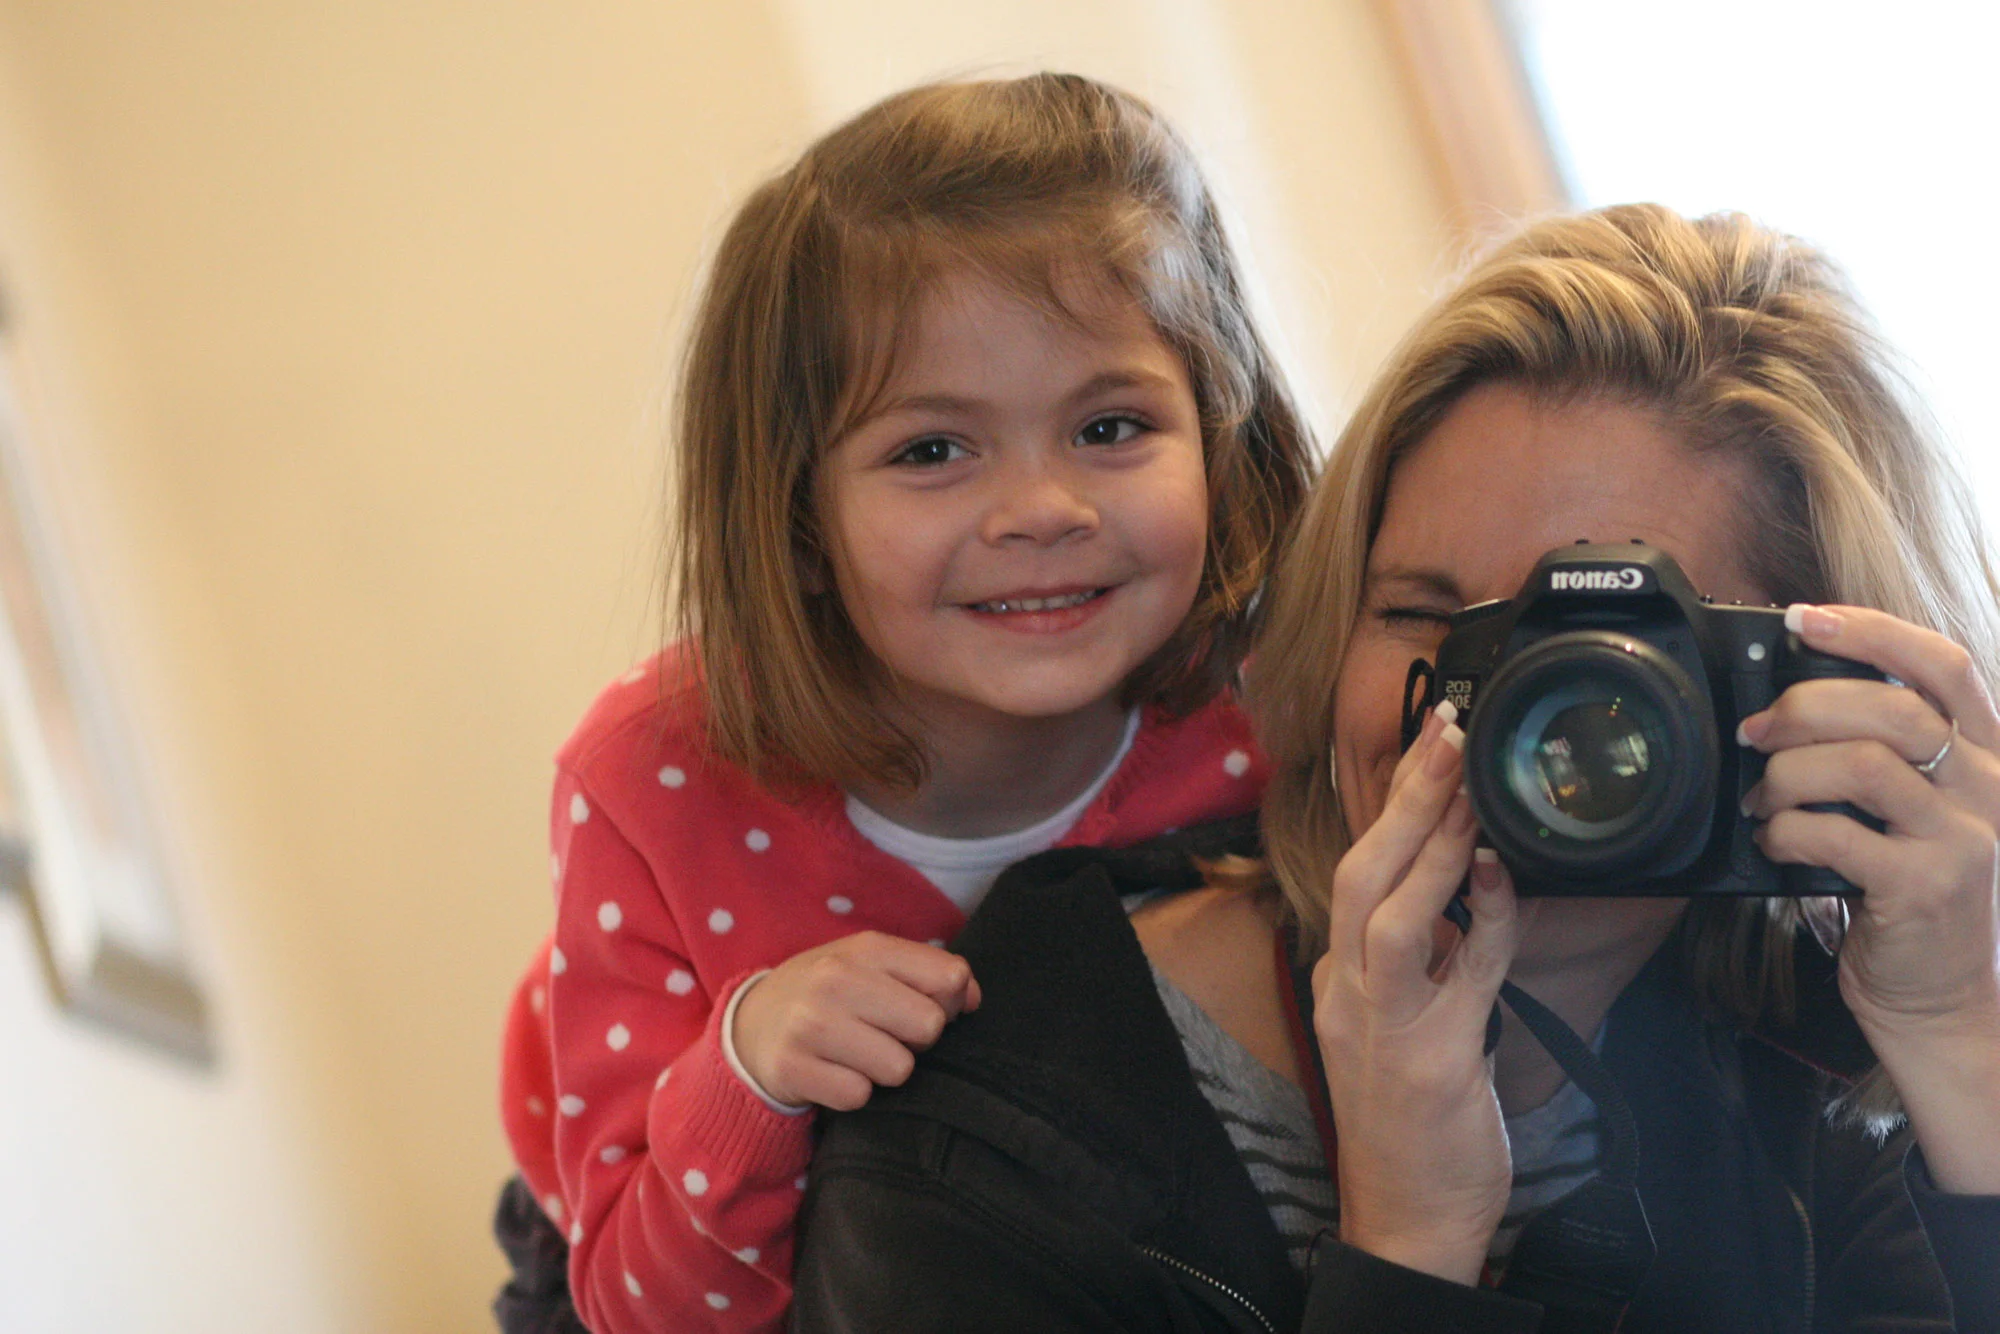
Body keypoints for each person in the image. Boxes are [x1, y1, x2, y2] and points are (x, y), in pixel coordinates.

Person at [788, 204, 2000, 1331]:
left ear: (1803, 689)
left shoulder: (1826, 1070)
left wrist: (1957, 1040)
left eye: (1597, 653)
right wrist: (1409, 1241)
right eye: (1427, 617)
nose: (1517, 718)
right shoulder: (980, 1138)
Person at [490, 73, 1314, 1334]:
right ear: (795, 517)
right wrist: (750, 1065)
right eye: (931, 450)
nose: (1043, 507)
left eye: (1109, 425)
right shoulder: (654, 782)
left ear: (1219, 430)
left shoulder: (1272, 686)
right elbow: (642, 1306)